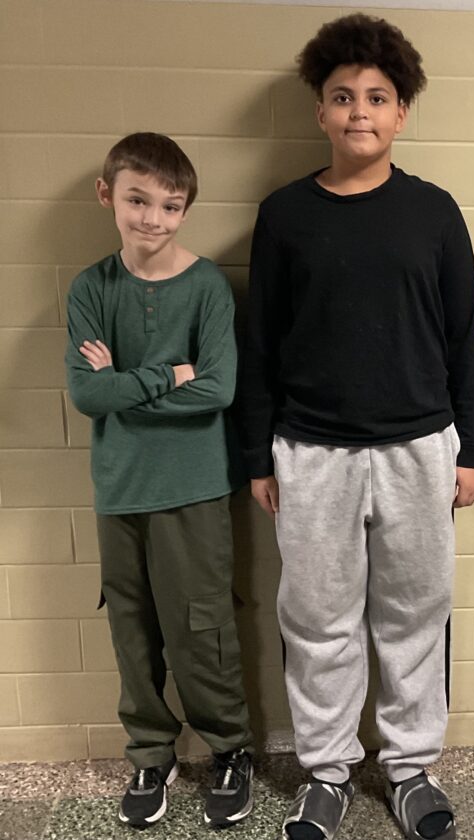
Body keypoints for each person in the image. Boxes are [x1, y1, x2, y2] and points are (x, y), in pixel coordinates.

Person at [237, 14, 474, 840]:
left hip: (420, 447)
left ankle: (410, 769)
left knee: (415, 614)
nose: (359, 112)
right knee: (318, 620)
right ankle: (326, 771)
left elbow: (461, 339)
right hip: (310, 452)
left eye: (377, 98)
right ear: (319, 111)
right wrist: (258, 455)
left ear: (401, 113)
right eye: (342, 97)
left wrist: (472, 448)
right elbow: (260, 344)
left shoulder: (434, 213)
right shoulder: (283, 216)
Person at [64, 133, 254, 829]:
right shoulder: (91, 288)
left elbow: (218, 390)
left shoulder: (206, 287)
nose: (152, 219)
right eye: (138, 200)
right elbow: (88, 395)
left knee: (201, 627)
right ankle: (151, 752)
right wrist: (168, 374)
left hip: (195, 487)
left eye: (170, 206)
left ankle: (229, 748)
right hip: (120, 488)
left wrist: (125, 384)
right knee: (132, 628)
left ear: (186, 210)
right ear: (107, 195)